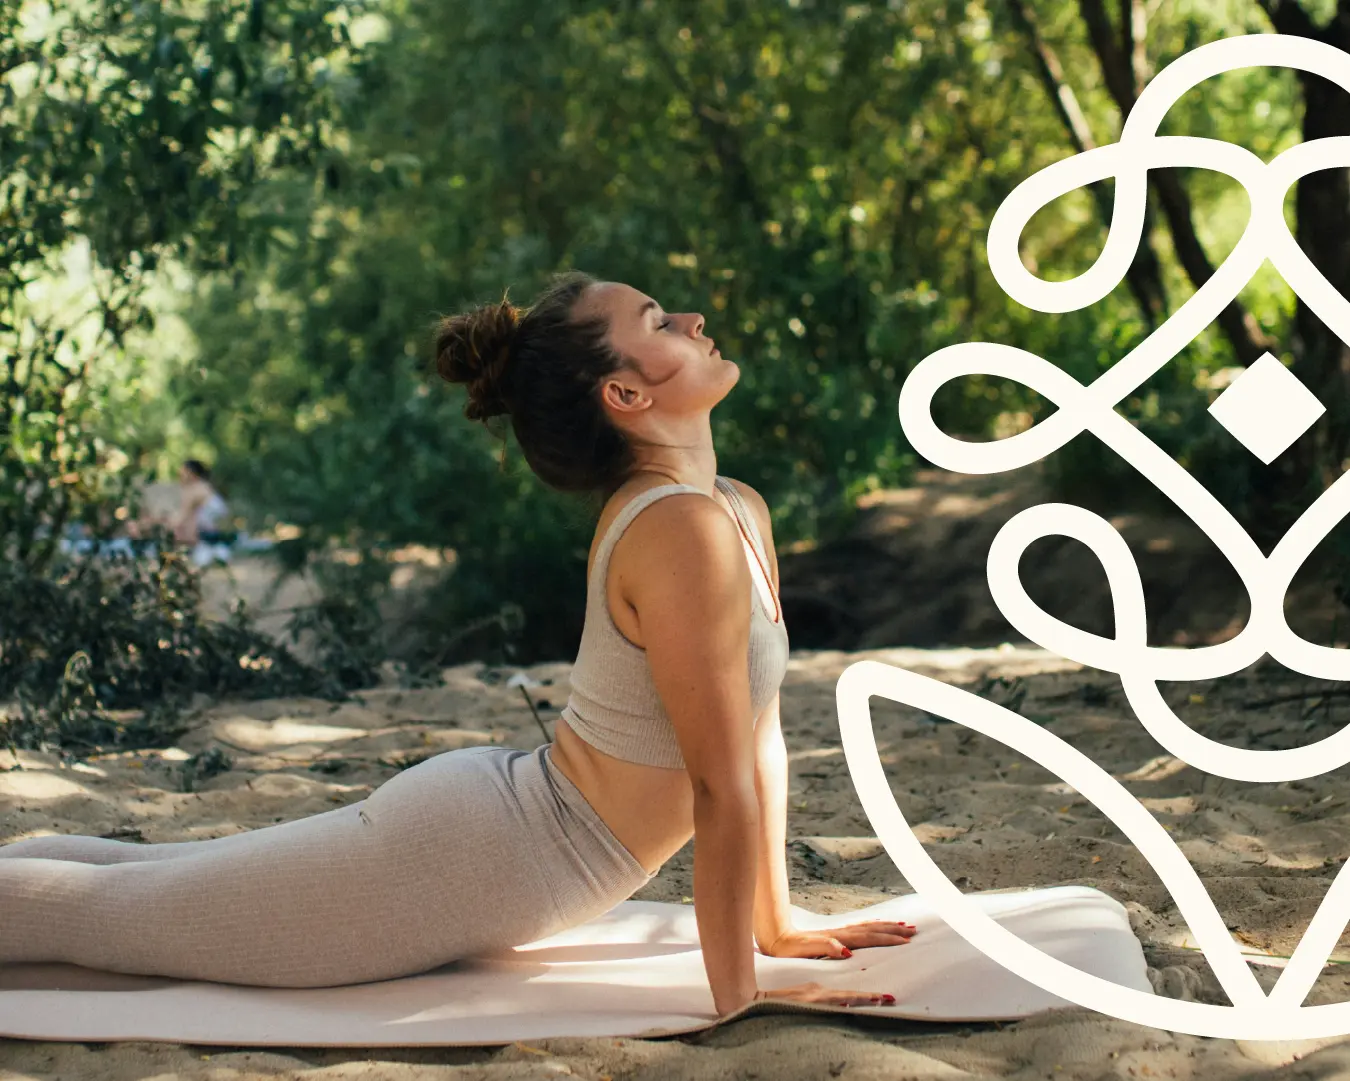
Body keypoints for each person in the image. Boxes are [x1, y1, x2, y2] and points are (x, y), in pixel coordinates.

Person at [0, 271, 914, 1017]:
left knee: (150, 881)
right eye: (658, 319)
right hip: (473, 857)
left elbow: (755, 740)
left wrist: (776, 921)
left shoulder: (733, 509)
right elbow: (715, 787)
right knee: (118, 913)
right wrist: (740, 999)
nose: (694, 315)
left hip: (497, 829)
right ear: (627, 392)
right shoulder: (681, 532)